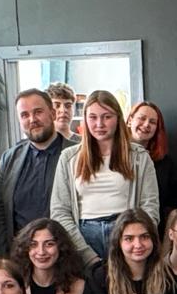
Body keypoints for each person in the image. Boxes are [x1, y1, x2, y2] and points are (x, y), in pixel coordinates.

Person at [49, 89, 161, 267]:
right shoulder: (69, 158)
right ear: (85, 119)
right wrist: (86, 255)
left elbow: (150, 206)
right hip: (83, 237)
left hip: (126, 235)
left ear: (118, 118)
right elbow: (59, 211)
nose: (99, 124)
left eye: (107, 117)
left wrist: (136, 242)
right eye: (93, 117)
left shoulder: (139, 156)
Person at [0, 89, 68, 257]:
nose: (32, 120)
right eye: (24, 115)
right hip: (21, 257)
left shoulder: (76, 154)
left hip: (67, 254)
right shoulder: (9, 158)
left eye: (38, 112)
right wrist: (2, 258)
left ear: (53, 114)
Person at [11, 218, 86, 294]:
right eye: (33, 244)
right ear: (26, 249)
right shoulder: (16, 284)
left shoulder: (78, 287)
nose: (41, 252)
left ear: (61, 247)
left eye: (49, 244)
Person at [128, 101, 177, 218]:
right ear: (130, 120)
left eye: (152, 122)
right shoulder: (112, 155)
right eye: (142, 118)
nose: (146, 124)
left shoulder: (166, 164)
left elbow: (173, 202)